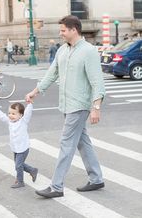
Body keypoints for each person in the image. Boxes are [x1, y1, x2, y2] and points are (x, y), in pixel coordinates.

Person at [25, 15, 105, 198]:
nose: (60, 33)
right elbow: (51, 74)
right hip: (66, 104)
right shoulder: (62, 50)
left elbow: (97, 82)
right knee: (82, 142)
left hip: (79, 105)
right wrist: (34, 92)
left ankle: (56, 186)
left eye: (63, 30)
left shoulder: (89, 51)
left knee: (66, 143)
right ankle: (96, 178)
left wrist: (96, 107)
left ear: (73, 30)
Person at [0, 102, 38, 188]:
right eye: (9, 113)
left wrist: (30, 104)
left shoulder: (23, 121)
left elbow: (28, 112)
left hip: (23, 148)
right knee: (19, 164)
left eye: (13, 114)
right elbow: (2, 116)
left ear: (20, 115)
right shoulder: (10, 122)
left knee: (18, 165)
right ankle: (32, 170)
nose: (10, 115)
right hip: (15, 148)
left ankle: (20, 181)